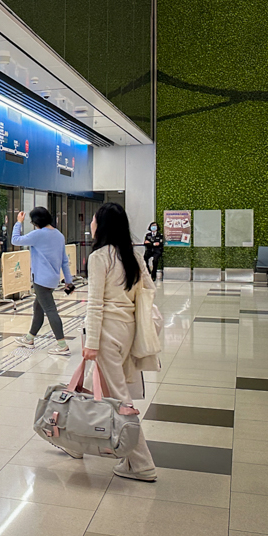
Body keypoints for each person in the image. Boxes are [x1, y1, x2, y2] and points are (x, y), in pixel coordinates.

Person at [82, 202, 157, 481]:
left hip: (106, 335)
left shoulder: (100, 257)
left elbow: (95, 304)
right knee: (92, 385)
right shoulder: (133, 256)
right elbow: (149, 291)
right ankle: (76, 442)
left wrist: (91, 340)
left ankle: (141, 463)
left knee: (119, 398)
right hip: (127, 330)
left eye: (93, 220)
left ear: (101, 225)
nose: (90, 225)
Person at [11, 207, 74, 355]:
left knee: (50, 310)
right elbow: (65, 261)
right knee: (38, 307)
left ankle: (62, 344)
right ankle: (29, 338)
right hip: (53, 279)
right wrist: (68, 281)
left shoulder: (38, 234)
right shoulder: (59, 235)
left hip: (41, 279)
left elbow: (15, 240)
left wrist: (18, 222)